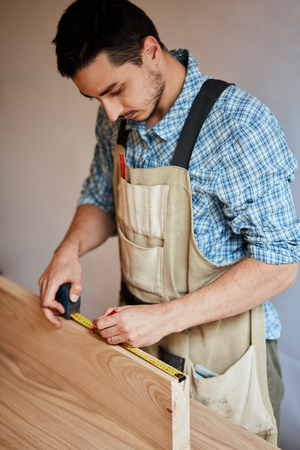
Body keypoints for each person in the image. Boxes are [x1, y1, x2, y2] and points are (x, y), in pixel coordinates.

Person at [39, 0, 299, 445]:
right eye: (95, 98)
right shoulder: (119, 122)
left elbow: (280, 264)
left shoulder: (239, 125)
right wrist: (69, 249)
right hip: (138, 350)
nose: (109, 112)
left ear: (151, 51)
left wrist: (164, 318)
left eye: (115, 90)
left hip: (225, 367)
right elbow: (102, 199)